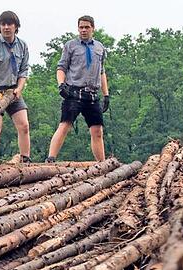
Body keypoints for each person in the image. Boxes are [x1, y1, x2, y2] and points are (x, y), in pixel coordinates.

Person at [46, 15, 109, 163]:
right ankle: (50, 158)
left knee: (97, 130)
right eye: (81, 27)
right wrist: (61, 84)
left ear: (93, 28)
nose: (84, 30)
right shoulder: (70, 46)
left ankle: (102, 164)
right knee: (65, 124)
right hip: (74, 91)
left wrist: (106, 94)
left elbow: (102, 71)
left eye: (87, 27)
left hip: (92, 94)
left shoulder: (99, 47)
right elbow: (61, 67)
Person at [0, 11, 31, 164]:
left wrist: (19, 88)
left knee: (24, 125)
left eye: (9, 24)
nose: (6, 27)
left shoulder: (22, 45)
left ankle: (25, 159)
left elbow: (24, 70)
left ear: (16, 27)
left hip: (13, 90)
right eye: (3, 24)